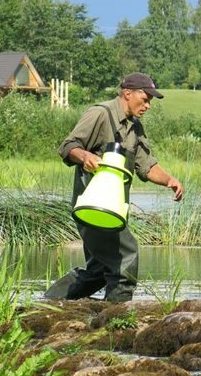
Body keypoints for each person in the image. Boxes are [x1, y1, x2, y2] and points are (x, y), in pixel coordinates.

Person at [45, 72, 183, 302]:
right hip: (93, 206)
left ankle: (49, 303)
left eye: (150, 101)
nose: (148, 105)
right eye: (145, 98)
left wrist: (170, 180)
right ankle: (116, 319)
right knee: (125, 256)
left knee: (99, 270)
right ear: (127, 93)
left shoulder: (135, 127)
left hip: (113, 209)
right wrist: (85, 155)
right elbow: (68, 146)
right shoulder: (99, 113)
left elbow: (146, 166)